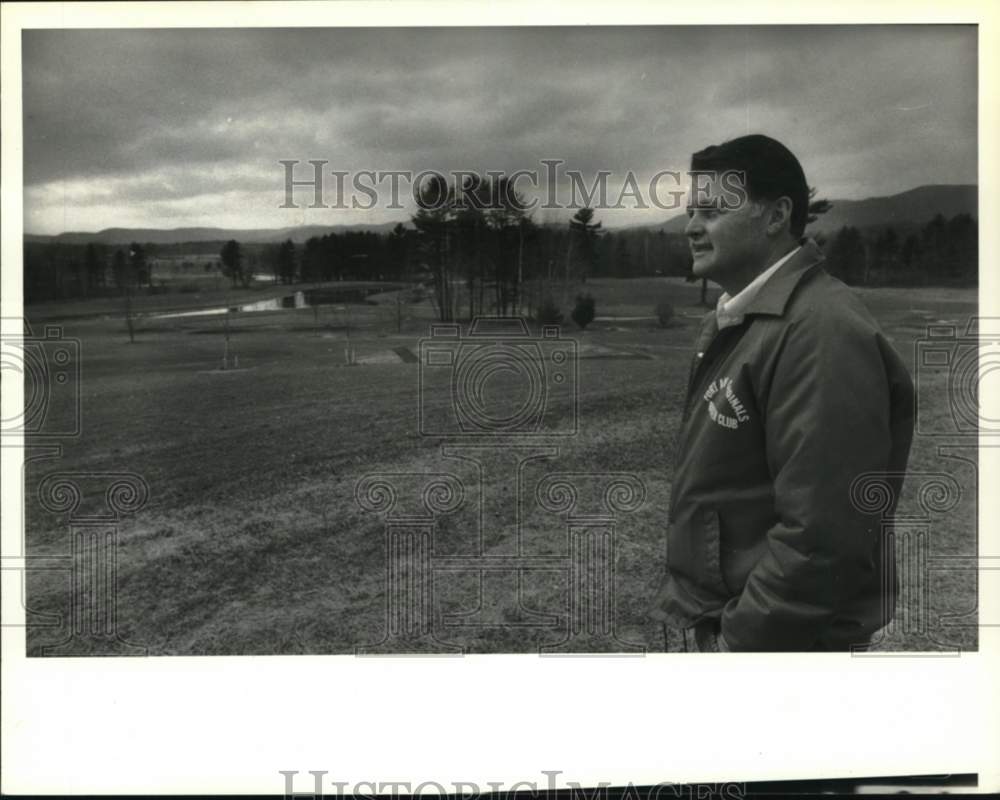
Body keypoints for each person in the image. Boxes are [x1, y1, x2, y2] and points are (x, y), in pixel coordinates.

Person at [649, 134, 915, 652]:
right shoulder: (750, 319)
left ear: (775, 216)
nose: (691, 227)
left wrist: (737, 642)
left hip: (778, 647)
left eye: (711, 210)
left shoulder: (820, 332)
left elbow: (824, 539)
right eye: (690, 211)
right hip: (737, 622)